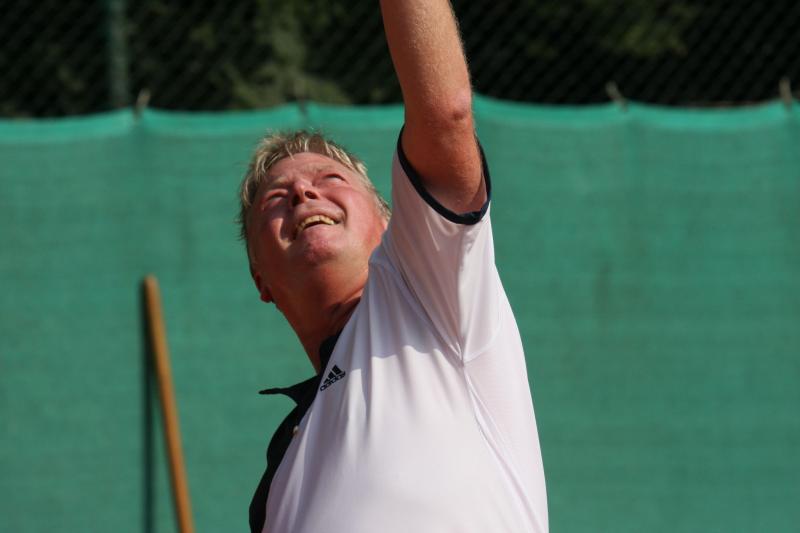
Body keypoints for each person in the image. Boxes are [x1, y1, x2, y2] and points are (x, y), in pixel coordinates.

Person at [238, 2, 548, 532]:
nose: (303, 193)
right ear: (260, 279)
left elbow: (445, 111)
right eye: (275, 199)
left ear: (389, 223)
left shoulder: (427, 290)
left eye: (330, 180)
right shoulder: (280, 477)